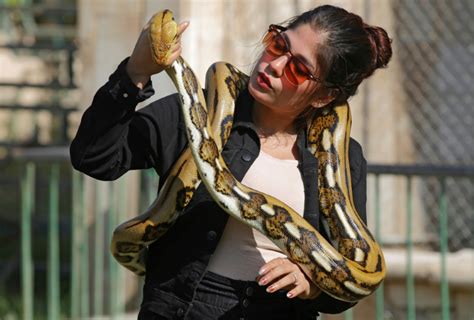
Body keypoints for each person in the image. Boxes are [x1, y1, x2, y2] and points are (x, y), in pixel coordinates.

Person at [70, 4, 392, 320]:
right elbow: (94, 158)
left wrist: (312, 284)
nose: (275, 65)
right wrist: (134, 74)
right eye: (278, 44)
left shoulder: (344, 158)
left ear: (323, 96)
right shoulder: (196, 111)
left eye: (298, 69)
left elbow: (352, 283)